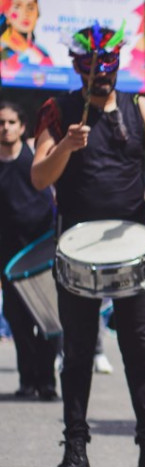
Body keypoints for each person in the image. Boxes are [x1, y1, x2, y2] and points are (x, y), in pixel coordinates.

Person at [31, 22, 145, 467]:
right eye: (95, 70)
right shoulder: (58, 111)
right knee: (76, 353)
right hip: (77, 245)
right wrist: (67, 149)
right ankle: (76, 450)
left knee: (139, 352)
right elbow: (40, 176)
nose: (103, 77)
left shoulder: (142, 106)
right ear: (80, 69)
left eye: (110, 68)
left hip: (133, 244)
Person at [0, 101, 58, 400]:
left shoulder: (35, 156)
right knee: (18, 319)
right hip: (8, 255)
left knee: (47, 318)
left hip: (42, 248)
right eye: (1, 123)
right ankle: (27, 379)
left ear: (22, 127)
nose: (5, 128)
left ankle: (47, 381)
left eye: (11, 122)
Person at [0, 0, 52, 70]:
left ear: (37, 14)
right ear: (6, 13)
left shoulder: (42, 52)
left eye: (30, 8)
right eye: (17, 7)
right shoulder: (3, 48)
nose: (26, 13)